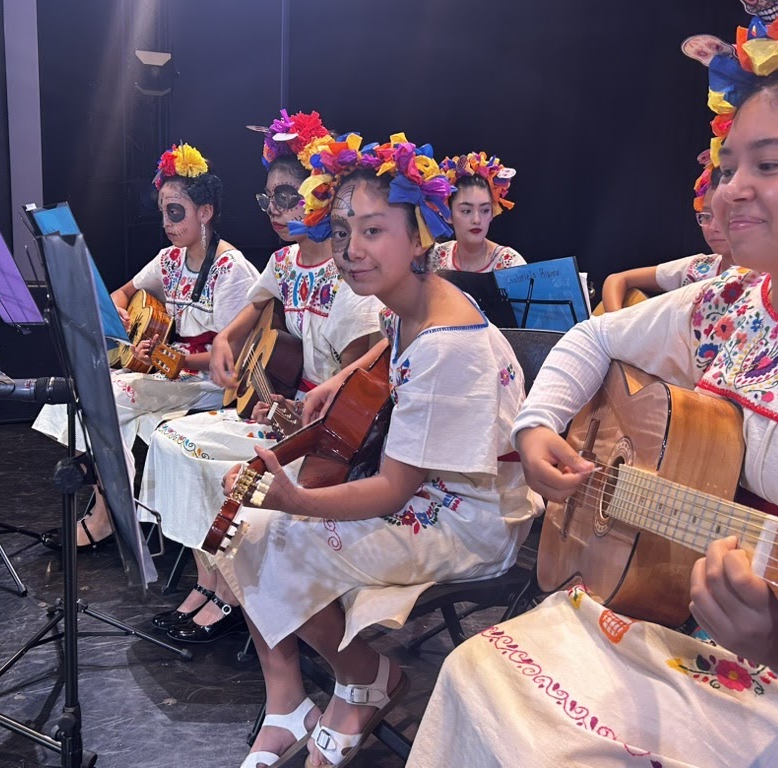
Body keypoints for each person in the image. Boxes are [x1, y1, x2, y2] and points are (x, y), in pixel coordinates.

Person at [408, 5, 778, 766]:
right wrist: (539, 424)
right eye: (727, 168)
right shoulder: (732, 298)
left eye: (768, 166)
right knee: (474, 674)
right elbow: (592, 335)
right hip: (682, 606)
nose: (729, 192)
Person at [214, 133, 541, 768]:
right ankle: (288, 703)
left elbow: (393, 490)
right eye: (341, 232)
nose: (351, 250)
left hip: (470, 518)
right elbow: (393, 341)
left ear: (419, 236)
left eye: (371, 232)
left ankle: (367, 678)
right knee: (250, 528)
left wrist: (299, 499)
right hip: (435, 492)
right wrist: (341, 377)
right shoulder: (417, 299)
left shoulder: (450, 346)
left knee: (270, 536)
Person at [139, 111, 385, 643]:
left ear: (320, 196)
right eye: (269, 198)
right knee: (175, 441)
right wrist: (227, 339)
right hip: (282, 413)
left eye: (287, 197)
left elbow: (357, 389)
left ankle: (230, 595)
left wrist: (298, 410)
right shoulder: (282, 262)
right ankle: (209, 581)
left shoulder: (349, 277)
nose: (275, 210)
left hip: (326, 433)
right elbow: (248, 315)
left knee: (219, 463)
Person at [32, 143, 260, 548]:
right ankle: (108, 505)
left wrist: (171, 358)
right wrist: (122, 319)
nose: (168, 223)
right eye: (163, 212)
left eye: (176, 212)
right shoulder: (169, 259)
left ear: (204, 212)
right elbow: (121, 294)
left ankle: (106, 510)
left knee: (107, 396)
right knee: (90, 389)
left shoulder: (233, 269)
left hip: (208, 382)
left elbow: (234, 355)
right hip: (174, 373)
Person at [601, 157, 737, 312]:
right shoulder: (699, 267)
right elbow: (617, 279)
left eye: (723, 215)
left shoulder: (762, 284)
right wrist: (617, 324)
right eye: (706, 215)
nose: (713, 227)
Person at [431, 151, 526, 272]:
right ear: (448, 213)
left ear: (493, 212)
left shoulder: (511, 264)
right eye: (466, 211)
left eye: (484, 210)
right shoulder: (433, 259)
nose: (477, 219)